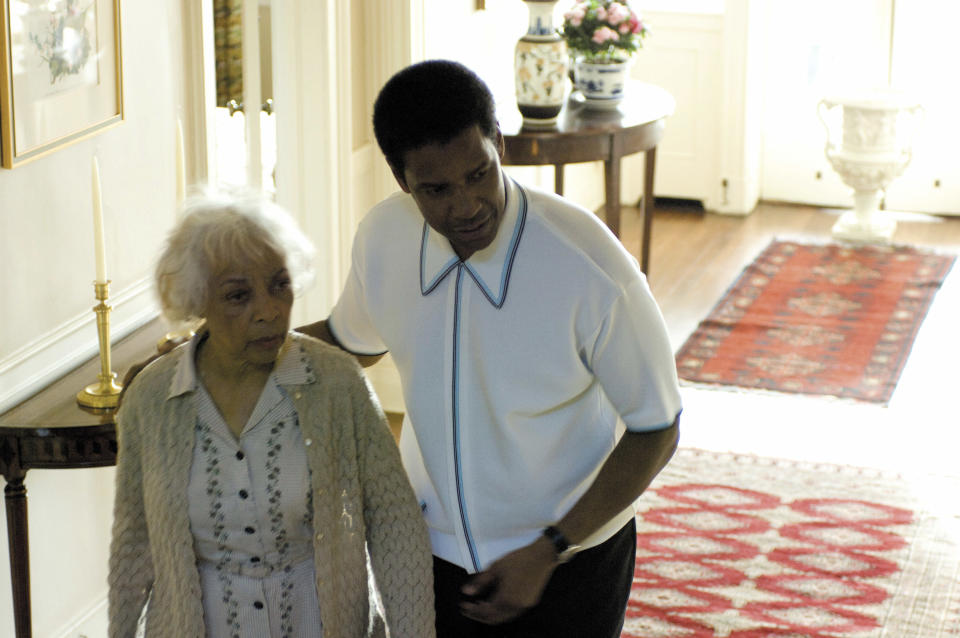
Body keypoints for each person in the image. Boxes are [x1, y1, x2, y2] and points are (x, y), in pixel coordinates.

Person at [297, 60, 682, 638]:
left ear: (499, 143)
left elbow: (658, 428)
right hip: (432, 558)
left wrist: (551, 548)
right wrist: (216, 352)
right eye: (437, 189)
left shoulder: (589, 266)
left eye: (480, 173)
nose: (466, 205)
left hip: (571, 563)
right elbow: (348, 341)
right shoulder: (384, 238)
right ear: (402, 181)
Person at [108, 192, 435, 638]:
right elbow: (133, 544)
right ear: (199, 300)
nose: (269, 310)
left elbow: (394, 521)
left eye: (280, 285)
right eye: (238, 296)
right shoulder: (151, 398)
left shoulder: (337, 382)